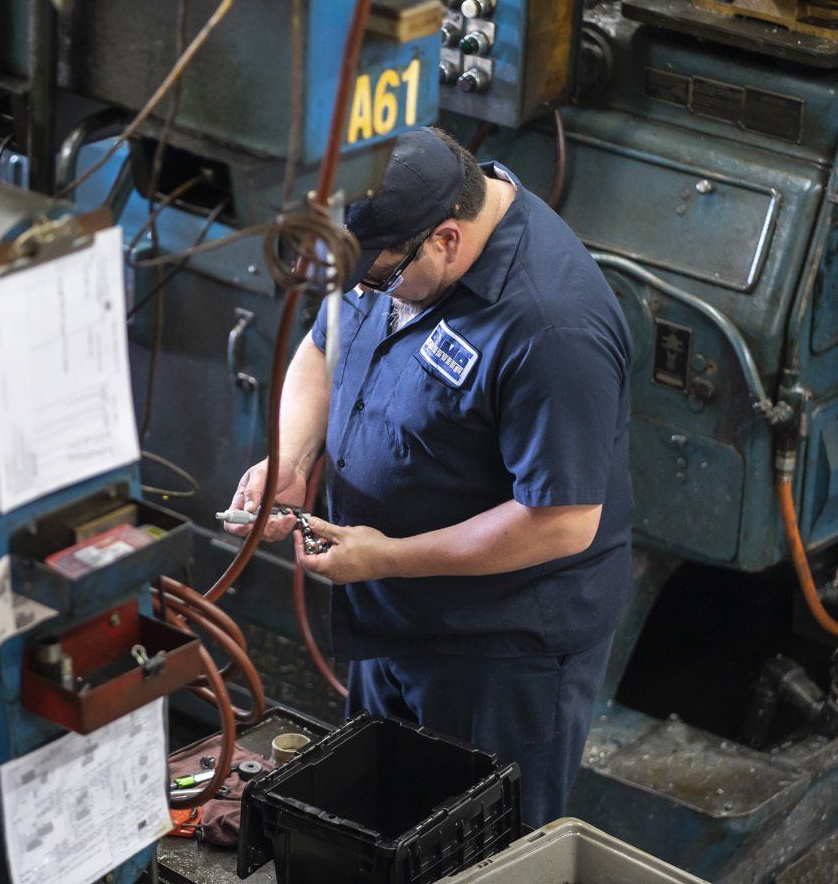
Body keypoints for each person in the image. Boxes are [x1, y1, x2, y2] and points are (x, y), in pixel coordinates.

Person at [223, 126, 633, 827]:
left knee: (483, 851)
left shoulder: (552, 328)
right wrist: (292, 460)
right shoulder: (395, 242)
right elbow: (323, 348)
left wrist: (390, 556)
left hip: (499, 651)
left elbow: (561, 522)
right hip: (390, 607)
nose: (368, 291)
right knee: (380, 823)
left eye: (379, 279)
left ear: (446, 238)